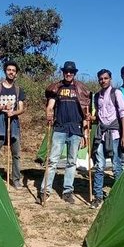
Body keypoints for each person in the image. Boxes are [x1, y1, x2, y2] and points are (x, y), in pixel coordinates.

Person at [40, 61, 91, 204]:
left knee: (71, 162)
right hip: (60, 128)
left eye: (71, 72)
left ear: (74, 73)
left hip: (76, 129)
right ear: (63, 72)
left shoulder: (81, 89)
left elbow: (86, 113)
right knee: (52, 160)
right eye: (66, 71)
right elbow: (50, 106)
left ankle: (67, 191)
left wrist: (85, 134)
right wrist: (49, 113)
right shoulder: (56, 88)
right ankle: (45, 190)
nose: (69, 74)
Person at [90, 69, 124, 209]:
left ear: (110, 79)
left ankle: (118, 195)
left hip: (115, 134)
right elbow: (98, 116)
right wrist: (91, 118)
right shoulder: (97, 96)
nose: (103, 81)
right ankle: (98, 196)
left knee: (116, 164)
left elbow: (123, 114)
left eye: (105, 78)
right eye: (101, 79)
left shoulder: (116, 93)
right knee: (99, 165)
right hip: (101, 133)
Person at [0, 60, 26, 188]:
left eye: (13, 71)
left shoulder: (18, 90)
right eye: (9, 70)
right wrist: (2, 107)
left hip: (13, 123)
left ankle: (16, 179)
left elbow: (21, 108)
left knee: (16, 154)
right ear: (5, 71)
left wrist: (13, 112)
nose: (11, 72)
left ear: (16, 74)